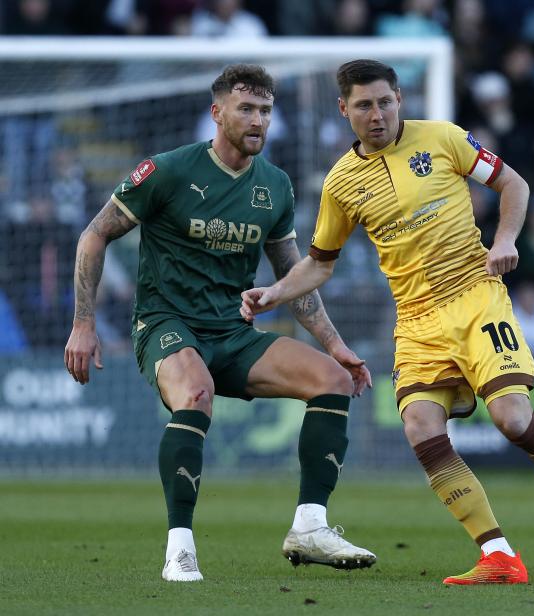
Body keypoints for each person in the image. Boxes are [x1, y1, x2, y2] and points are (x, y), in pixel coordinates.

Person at [241, 59, 534, 585]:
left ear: (399, 98)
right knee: (421, 426)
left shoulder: (443, 139)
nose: (376, 115)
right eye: (363, 105)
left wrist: (506, 239)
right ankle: (498, 555)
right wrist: (274, 293)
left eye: (384, 102)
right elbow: (320, 263)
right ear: (343, 109)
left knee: (513, 419)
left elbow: (515, 185)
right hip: (416, 319)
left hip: (475, 297)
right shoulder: (341, 183)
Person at [63, 64, 376, 582]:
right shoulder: (166, 171)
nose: (258, 121)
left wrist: (335, 344)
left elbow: (293, 278)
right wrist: (83, 324)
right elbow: (93, 236)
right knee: (197, 390)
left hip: (231, 333)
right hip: (166, 323)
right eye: (247, 109)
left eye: (266, 111)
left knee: (332, 380)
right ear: (217, 113)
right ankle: (180, 550)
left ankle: (310, 526)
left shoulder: (274, 186)